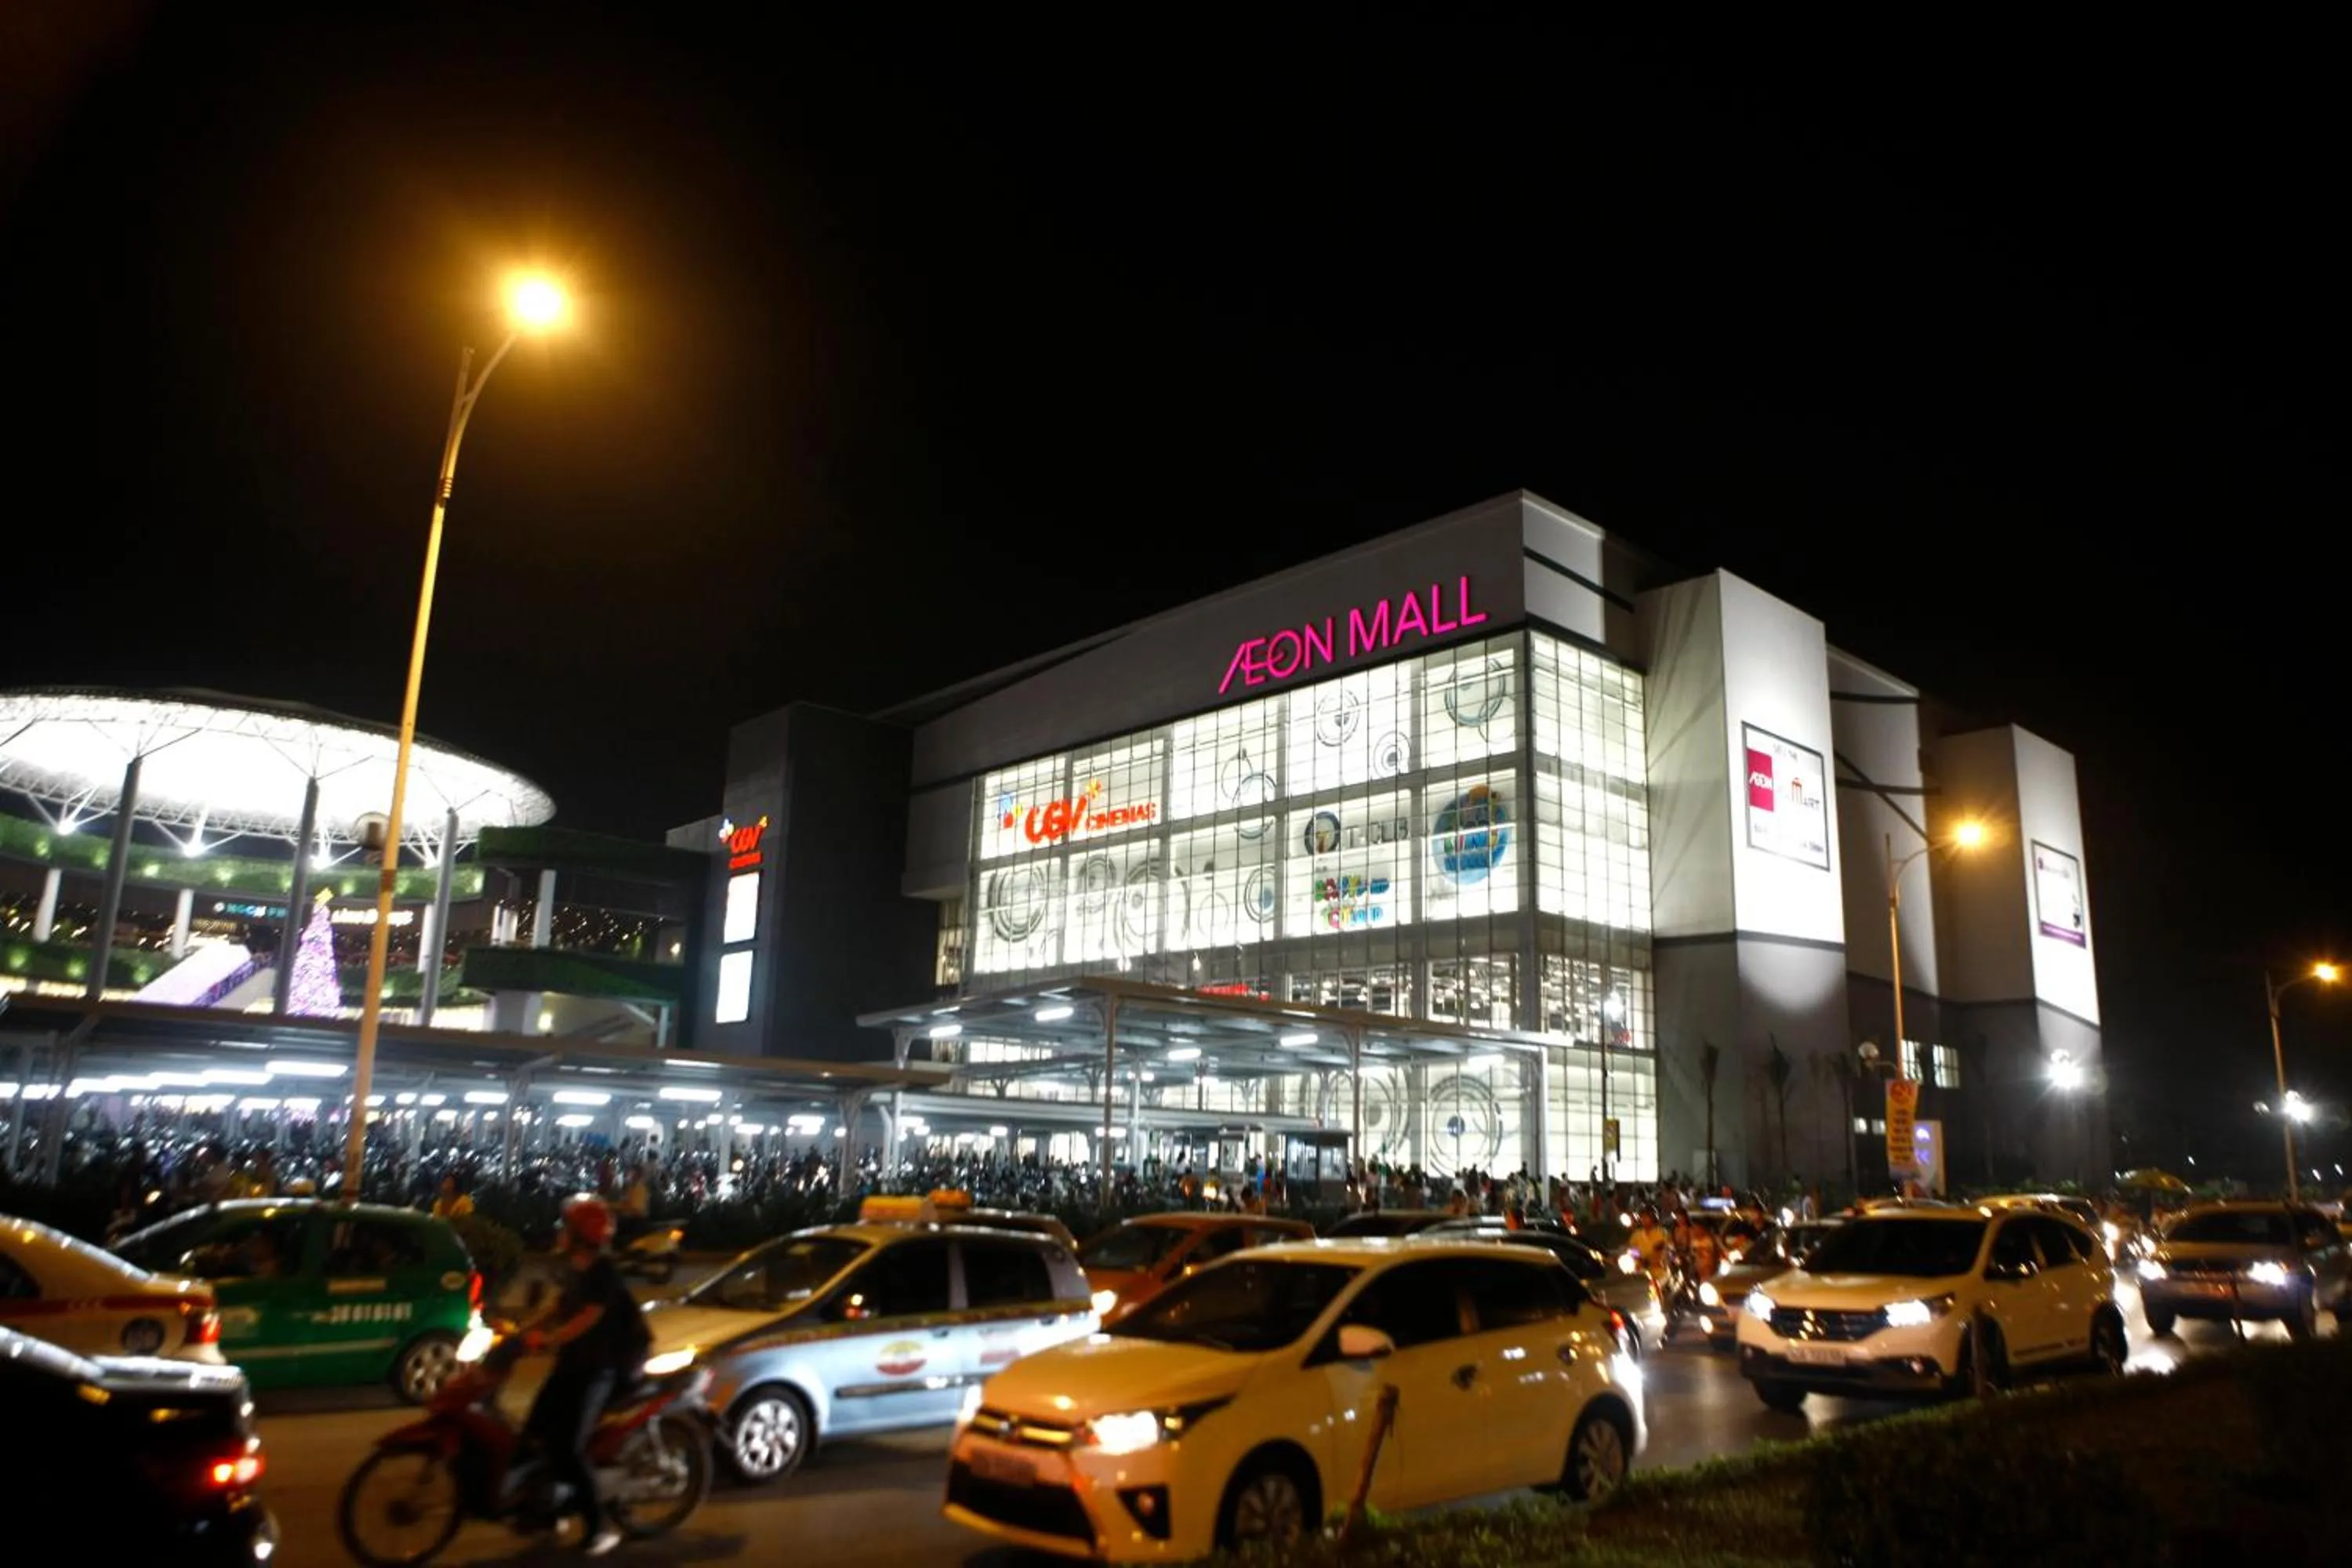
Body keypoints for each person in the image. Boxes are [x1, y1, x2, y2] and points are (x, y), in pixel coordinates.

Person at [521, 1195, 646, 1558]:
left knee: (569, 1447)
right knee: (535, 1429)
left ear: (581, 1236)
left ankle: (598, 1530)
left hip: (602, 1368)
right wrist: (517, 1331)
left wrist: (549, 1338)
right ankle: (550, 1509)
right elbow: (558, 1308)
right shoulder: (576, 1267)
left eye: (566, 1228)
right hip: (573, 1363)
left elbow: (587, 1317)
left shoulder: (604, 1271)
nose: (559, 1232)